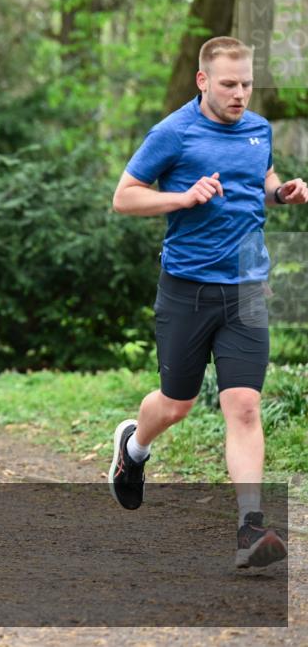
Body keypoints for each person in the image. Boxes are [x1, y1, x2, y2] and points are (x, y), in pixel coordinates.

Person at [109, 37, 306, 568]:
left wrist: (278, 192)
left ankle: (250, 529)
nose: (240, 94)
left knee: (243, 406)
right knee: (177, 403)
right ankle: (133, 449)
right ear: (203, 81)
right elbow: (124, 196)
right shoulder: (172, 133)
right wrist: (182, 196)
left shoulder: (258, 129)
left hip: (246, 288)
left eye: (246, 84)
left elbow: (257, 181)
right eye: (229, 85)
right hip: (186, 288)